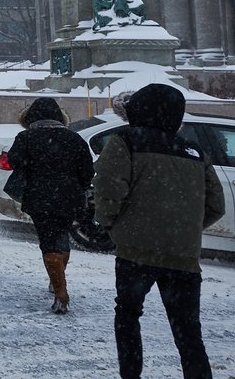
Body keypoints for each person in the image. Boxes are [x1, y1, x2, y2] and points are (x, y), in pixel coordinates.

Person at [94, 83, 224, 379]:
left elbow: (109, 190)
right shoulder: (194, 152)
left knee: (128, 315)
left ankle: (131, 374)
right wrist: (185, 231)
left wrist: (112, 225)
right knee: (189, 332)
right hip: (184, 257)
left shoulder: (125, 140)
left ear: (136, 109)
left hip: (135, 251)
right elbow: (216, 204)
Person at [6, 98, 94, 314]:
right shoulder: (75, 138)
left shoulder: (25, 137)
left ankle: (60, 291)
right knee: (62, 237)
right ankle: (57, 277)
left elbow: (14, 162)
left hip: (40, 197)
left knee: (48, 241)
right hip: (70, 197)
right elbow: (87, 171)